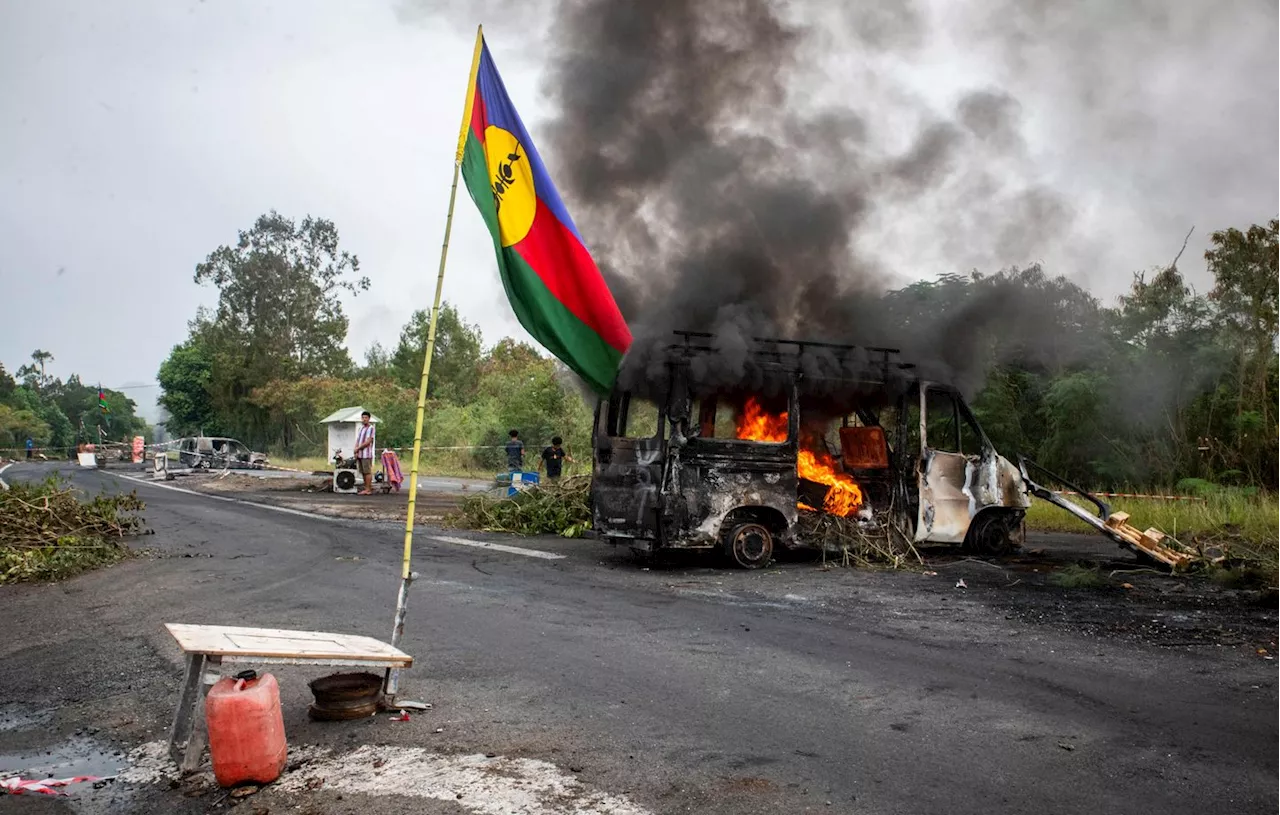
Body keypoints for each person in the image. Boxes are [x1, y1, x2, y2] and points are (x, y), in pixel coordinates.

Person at [353, 410, 376, 495]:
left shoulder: (371, 428)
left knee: (367, 471)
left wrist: (358, 448)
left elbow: (368, 441)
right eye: (363, 418)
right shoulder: (361, 428)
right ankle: (366, 487)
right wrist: (355, 450)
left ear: (369, 419)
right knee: (362, 472)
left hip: (366, 454)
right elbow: (358, 440)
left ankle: (368, 489)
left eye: (366, 417)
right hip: (360, 454)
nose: (364, 419)